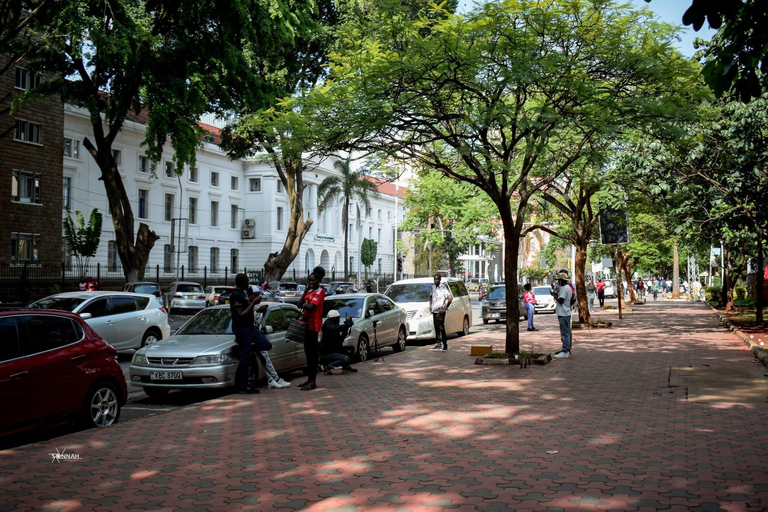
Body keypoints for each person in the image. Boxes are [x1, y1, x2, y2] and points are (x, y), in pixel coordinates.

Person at [230, 273, 271, 394]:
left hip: (250, 328)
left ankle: (247, 348)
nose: (248, 284)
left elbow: (247, 310)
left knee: (266, 345)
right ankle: (243, 386)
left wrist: (256, 306)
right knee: (245, 359)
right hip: (242, 329)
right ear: (242, 282)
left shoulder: (243, 293)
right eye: (247, 281)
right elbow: (240, 315)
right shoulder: (236, 295)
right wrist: (253, 303)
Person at [298, 266, 326, 390]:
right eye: (309, 280)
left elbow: (311, 307)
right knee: (308, 354)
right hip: (306, 325)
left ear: (318, 281)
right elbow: (299, 304)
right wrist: (305, 291)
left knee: (313, 355)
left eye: (312, 281)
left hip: (314, 326)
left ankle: (313, 381)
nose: (310, 283)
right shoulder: (309, 291)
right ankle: (309, 379)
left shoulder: (320, 291)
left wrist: (305, 304)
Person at [320, 310, 357, 374]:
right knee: (346, 359)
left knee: (351, 349)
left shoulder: (334, 325)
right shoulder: (327, 325)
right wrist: (346, 325)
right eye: (338, 318)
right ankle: (328, 366)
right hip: (328, 352)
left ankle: (346, 368)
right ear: (334, 319)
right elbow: (336, 328)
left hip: (335, 349)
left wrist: (346, 329)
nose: (339, 320)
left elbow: (340, 341)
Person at [429, 274, 453, 351]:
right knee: (436, 328)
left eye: (437, 279)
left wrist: (445, 308)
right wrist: (430, 305)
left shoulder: (443, 287)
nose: (435, 281)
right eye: (434, 279)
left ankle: (445, 344)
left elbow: (450, 298)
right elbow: (430, 296)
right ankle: (438, 344)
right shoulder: (433, 287)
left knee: (441, 327)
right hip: (434, 310)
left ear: (440, 280)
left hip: (441, 311)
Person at [554, 272, 573, 359]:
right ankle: (565, 349)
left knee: (565, 333)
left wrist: (553, 295)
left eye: (559, 280)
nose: (558, 282)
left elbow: (561, 300)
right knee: (565, 332)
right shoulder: (567, 288)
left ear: (562, 280)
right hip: (565, 312)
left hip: (563, 313)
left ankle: (565, 350)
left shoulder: (565, 289)